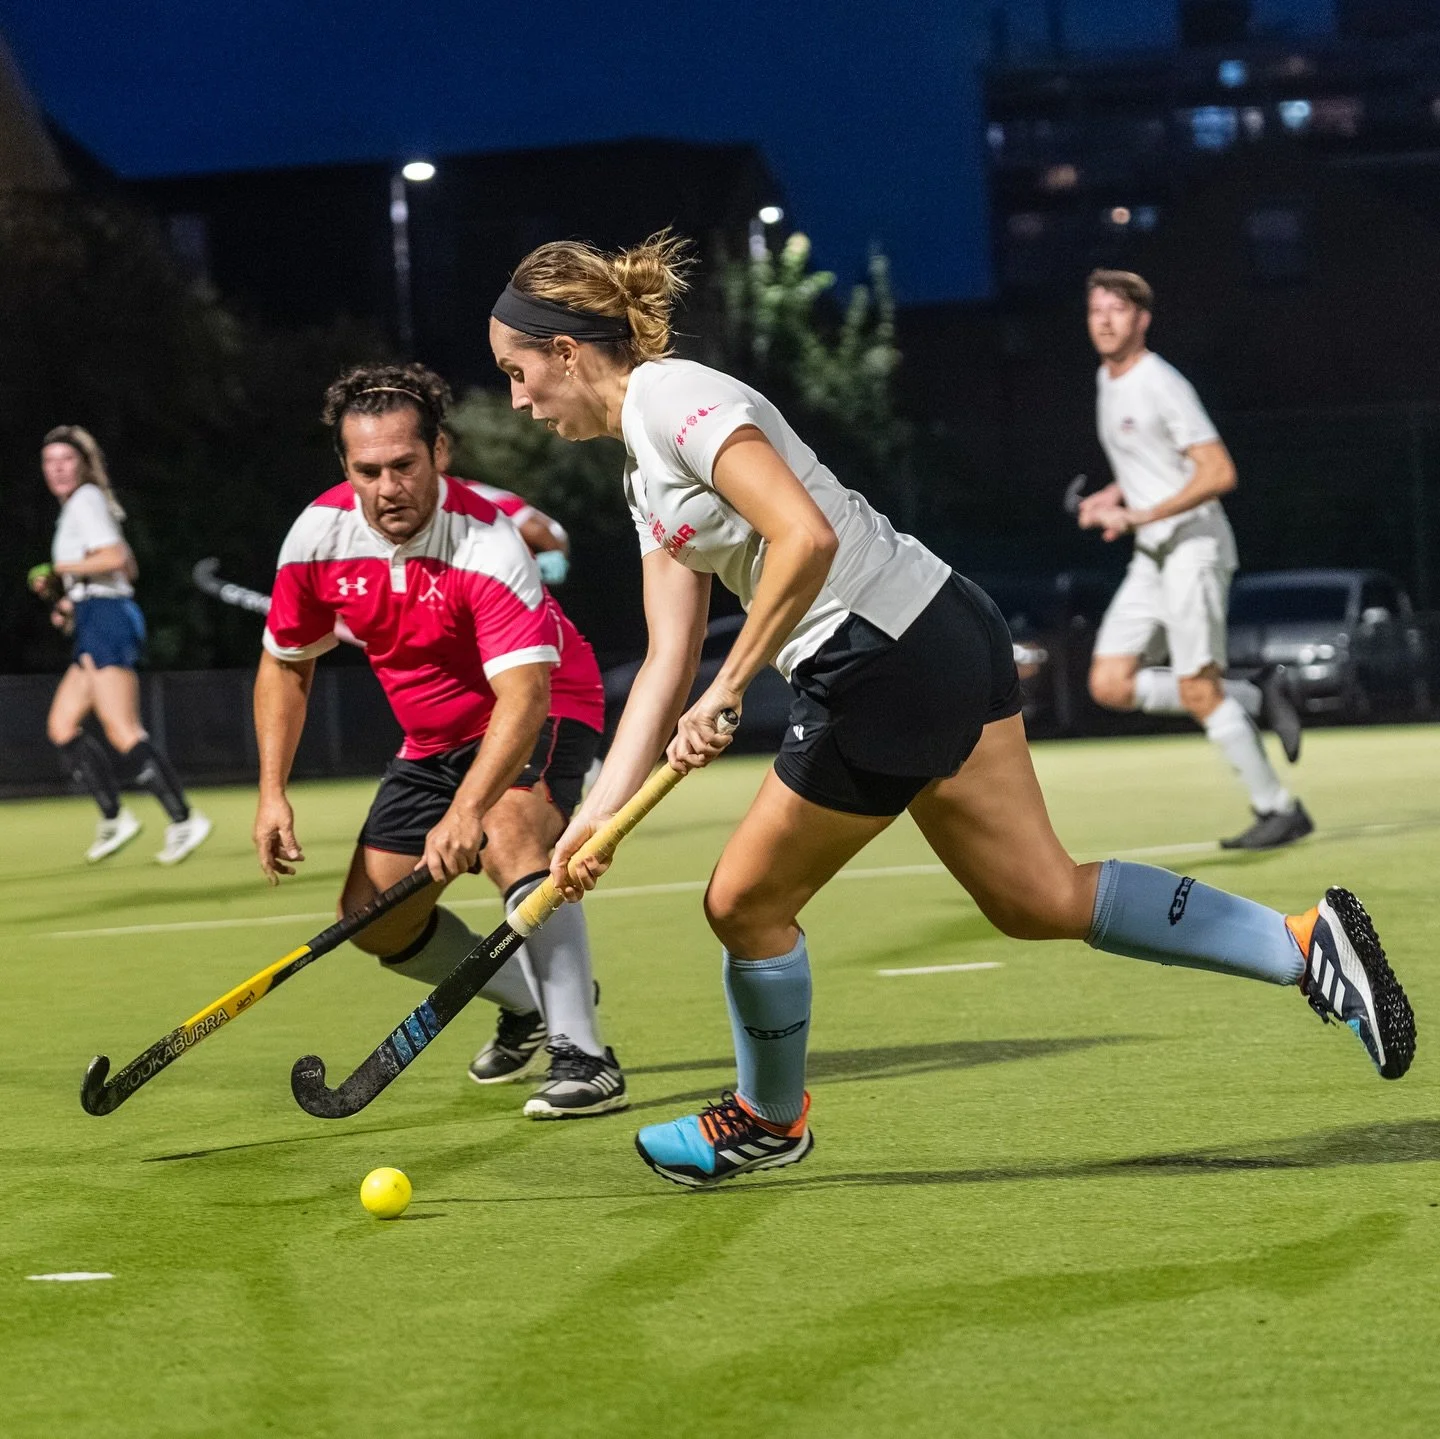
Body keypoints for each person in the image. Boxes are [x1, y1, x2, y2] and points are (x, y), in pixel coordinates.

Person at [487, 234, 1416, 1188]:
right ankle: (1304, 944)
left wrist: (736, 686)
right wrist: (596, 819)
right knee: (1037, 895)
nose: (519, 399)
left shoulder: (673, 399)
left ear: (566, 350)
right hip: (932, 626)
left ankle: (767, 1118)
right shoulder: (642, 471)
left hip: (882, 652)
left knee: (745, 900)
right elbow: (668, 660)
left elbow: (800, 538)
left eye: (518, 373)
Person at [252, 364, 624, 1118]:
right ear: (346, 468)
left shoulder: (487, 540)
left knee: (511, 829)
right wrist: (271, 792)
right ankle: (527, 1001)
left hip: (543, 703)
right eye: (368, 470)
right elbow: (286, 666)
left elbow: (524, 696)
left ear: (440, 454)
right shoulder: (315, 539)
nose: (389, 487)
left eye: (404, 465)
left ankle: (584, 1053)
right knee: (375, 915)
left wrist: (468, 810)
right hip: (431, 736)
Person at [1079, 271, 1310, 851]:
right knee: (1109, 683)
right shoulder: (1107, 379)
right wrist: (1115, 495)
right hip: (1153, 553)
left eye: (1118, 310)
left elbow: (1218, 471)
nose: (1105, 320)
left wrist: (1142, 512)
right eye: (1096, 310)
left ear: (1142, 320)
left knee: (1199, 688)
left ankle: (1279, 808)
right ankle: (1257, 694)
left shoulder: (1161, 383)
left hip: (1194, 548)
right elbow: (1153, 466)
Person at [31, 425, 211, 865]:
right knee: (61, 725)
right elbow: (124, 565)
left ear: (82, 465)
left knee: (122, 728)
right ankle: (115, 817)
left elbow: (114, 560)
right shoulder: (77, 508)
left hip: (108, 620)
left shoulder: (85, 500)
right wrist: (71, 602)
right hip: (94, 615)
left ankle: (185, 819)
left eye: (66, 460)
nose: (57, 469)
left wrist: (59, 570)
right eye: (49, 461)